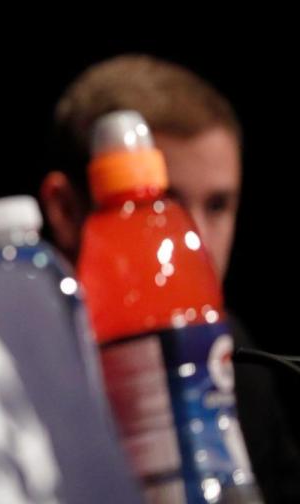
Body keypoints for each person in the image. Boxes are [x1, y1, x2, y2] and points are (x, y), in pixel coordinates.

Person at [39, 53, 300, 503]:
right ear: (65, 209)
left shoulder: (239, 364)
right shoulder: (9, 367)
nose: (192, 240)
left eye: (217, 206)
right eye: (158, 207)